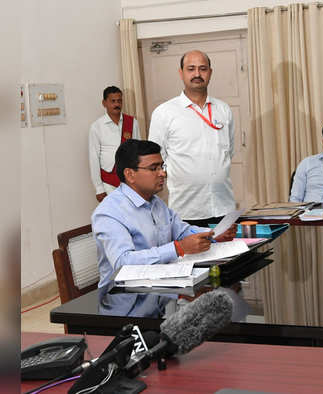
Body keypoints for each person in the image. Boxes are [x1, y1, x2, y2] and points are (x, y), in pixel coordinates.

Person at [92, 139, 236, 317]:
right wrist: (178, 248)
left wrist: (213, 235)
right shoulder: (109, 213)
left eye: (162, 166)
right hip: (125, 307)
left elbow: (182, 231)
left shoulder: (155, 202)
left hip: (159, 294)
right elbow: (123, 262)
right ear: (130, 174)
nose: (163, 173)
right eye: (154, 168)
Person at [149, 50, 235, 227]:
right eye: (191, 69)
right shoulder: (164, 112)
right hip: (187, 210)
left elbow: (229, 152)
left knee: (231, 254)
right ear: (181, 73)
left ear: (210, 72)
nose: (197, 74)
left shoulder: (223, 109)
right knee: (193, 255)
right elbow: (156, 157)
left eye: (203, 69)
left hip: (224, 207)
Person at [88, 86, 141, 202]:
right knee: (114, 215)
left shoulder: (132, 122)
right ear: (104, 103)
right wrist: (98, 188)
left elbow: (138, 152)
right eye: (113, 101)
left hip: (130, 178)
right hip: (108, 181)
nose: (117, 104)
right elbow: (94, 158)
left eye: (119, 101)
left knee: (133, 212)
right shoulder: (97, 127)